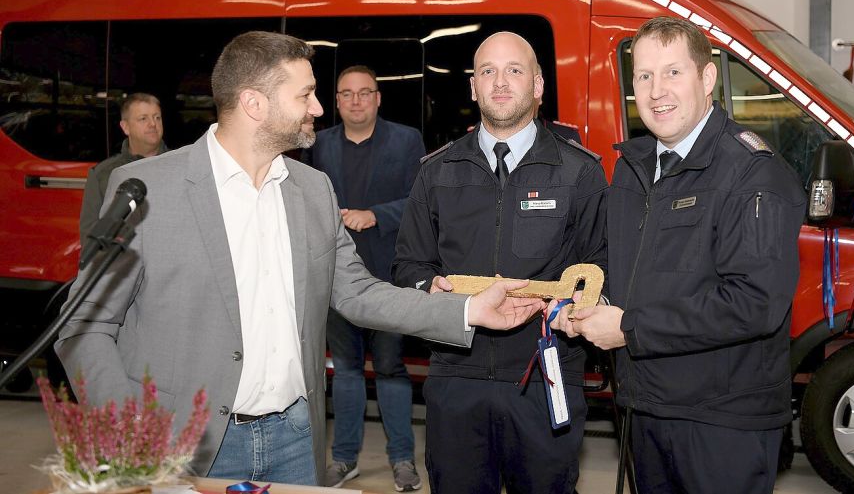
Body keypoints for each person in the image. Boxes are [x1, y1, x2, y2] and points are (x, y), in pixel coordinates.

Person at [55, 31, 545, 487]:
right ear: (254, 104)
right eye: (304, 94)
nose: (317, 106)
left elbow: (357, 291)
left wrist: (467, 310)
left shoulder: (312, 190)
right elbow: (83, 327)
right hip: (185, 444)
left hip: (295, 439)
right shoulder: (150, 191)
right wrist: (130, 427)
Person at [557, 16, 805, 494]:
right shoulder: (631, 170)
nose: (656, 91)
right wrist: (593, 306)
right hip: (647, 407)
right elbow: (627, 272)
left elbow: (753, 304)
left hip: (723, 420)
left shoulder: (752, 175)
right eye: (644, 77)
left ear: (707, 79)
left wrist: (628, 328)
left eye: (673, 72)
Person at [392, 31, 607, 494]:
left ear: (538, 84)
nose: (500, 82)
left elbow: (600, 267)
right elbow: (408, 265)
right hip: (455, 380)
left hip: (544, 377)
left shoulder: (580, 172)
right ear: (473, 87)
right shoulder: (437, 172)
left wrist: (581, 311)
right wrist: (428, 289)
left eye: (514, 70)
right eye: (487, 71)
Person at [300, 65, 426, 491]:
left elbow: (420, 202)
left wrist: (376, 215)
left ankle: (403, 460)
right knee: (348, 371)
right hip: (334, 277)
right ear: (336, 101)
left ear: (378, 98)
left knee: (390, 368)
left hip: (387, 276)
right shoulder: (317, 144)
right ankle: (343, 459)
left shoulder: (407, 140)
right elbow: (300, 197)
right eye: (346, 94)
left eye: (364, 93)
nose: (355, 101)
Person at [79, 92, 166, 250]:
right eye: (143, 118)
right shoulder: (103, 174)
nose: (153, 124)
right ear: (125, 127)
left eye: (157, 117)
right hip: (124, 267)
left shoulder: (181, 165)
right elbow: (90, 235)